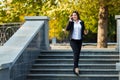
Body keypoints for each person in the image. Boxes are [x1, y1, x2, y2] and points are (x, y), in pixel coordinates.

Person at [66, 11, 87, 76]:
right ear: (71, 16)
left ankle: (75, 68)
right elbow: (67, 29)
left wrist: (85, 33)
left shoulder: (81, 22)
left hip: (79, 40)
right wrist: (69, 21)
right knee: (76, 52)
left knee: (77, 54)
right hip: (73, 40)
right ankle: (76, 68)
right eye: (73, 15)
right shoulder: (71, 22)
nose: (74, 16)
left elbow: (83, 31)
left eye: (75, 15)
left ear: (77, 15)